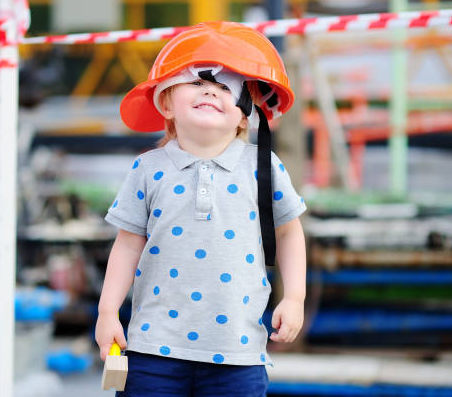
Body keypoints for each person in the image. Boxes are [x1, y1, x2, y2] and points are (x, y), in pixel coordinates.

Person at [95, 21, 307, 396]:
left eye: (226, 87)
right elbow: (128, 244)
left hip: (238, 353)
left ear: (245, 114)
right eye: (196, 82)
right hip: (153, 349)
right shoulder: (148, 169)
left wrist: (294, 298)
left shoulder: (264, 167)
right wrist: (108, 311)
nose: (210, 90)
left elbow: (289, 232)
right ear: (165, 101)